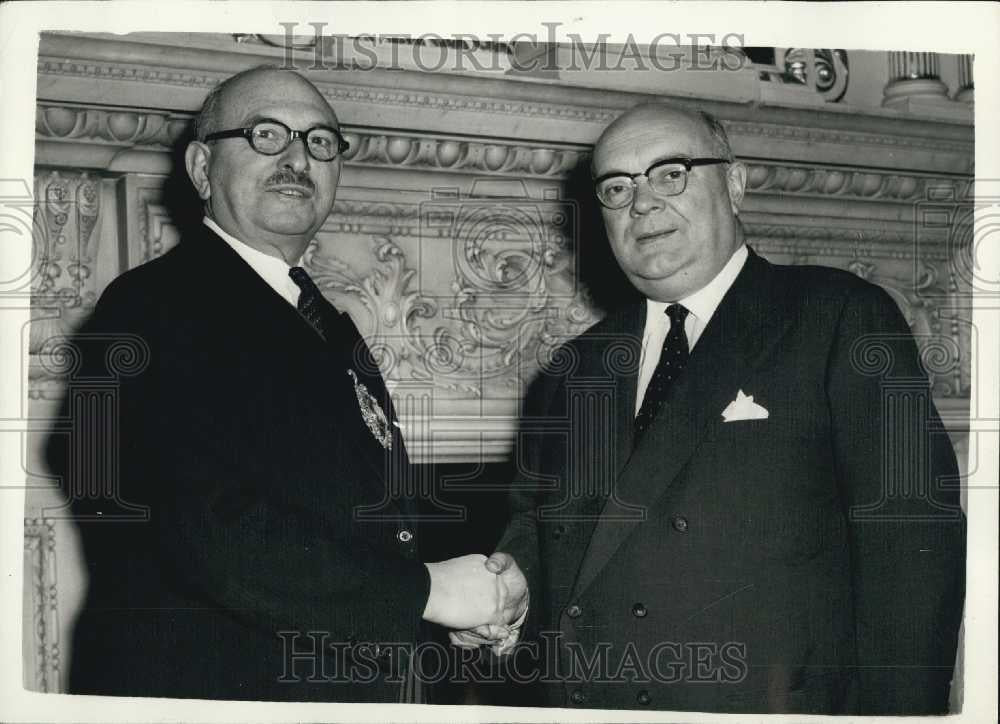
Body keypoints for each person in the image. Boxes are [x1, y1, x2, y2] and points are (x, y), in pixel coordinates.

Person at [463, 103, 966, 714]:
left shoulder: (835, 316)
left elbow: (911, 552)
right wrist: (505, 601)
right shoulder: (571, 370)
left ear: (734, 183)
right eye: (616, 188)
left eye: (670, 173)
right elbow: (535, 542)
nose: (641, 203)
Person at [45, 66, 526, 703]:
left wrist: (469, 591)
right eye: (267, 134)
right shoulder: (149, 307)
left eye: (320, 141)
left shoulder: (325, 321)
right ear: (200, 168)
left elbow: (355, 514)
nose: (298, 157)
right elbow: (198, 522)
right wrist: (428, 592)